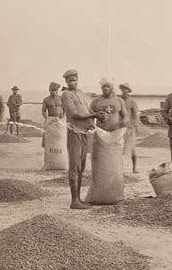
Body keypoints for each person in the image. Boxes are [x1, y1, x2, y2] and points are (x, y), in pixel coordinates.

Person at [61, 69, 107, 210]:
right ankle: (74, 201)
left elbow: (86, 111)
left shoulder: (79, 93)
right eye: (70, 81)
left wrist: (96, 116)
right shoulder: (66, 95)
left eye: (74, 80)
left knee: (81, 167)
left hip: (84, 132)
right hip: (74, 133)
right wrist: (95, 115)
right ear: (66, 82)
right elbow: (74, 115)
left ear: (77, 80)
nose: (73, 83)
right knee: (74, 166)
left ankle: (79, 199)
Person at [118, 83, 140, 173]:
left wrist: (135, 126)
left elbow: (136, 115)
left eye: (126, 89)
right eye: (122, 88)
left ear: (128, 91)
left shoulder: (132, 101)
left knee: (132, 148)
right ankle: (118, 168)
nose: (124, 90)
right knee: (118, 148)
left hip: (129, 128)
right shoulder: (118, 100)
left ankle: (134, 167)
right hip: (119, 127)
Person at [42, 82, 65, 148]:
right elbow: (43, 111)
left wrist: (63, 116)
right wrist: (46, 118)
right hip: (51, 121)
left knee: (60, 139)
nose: (54, 92)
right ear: (49, 90)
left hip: (60, 121)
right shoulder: (46, 99)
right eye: (52, 90)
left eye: (56, 90)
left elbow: (65, 108)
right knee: (50, 140)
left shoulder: (61, 98)